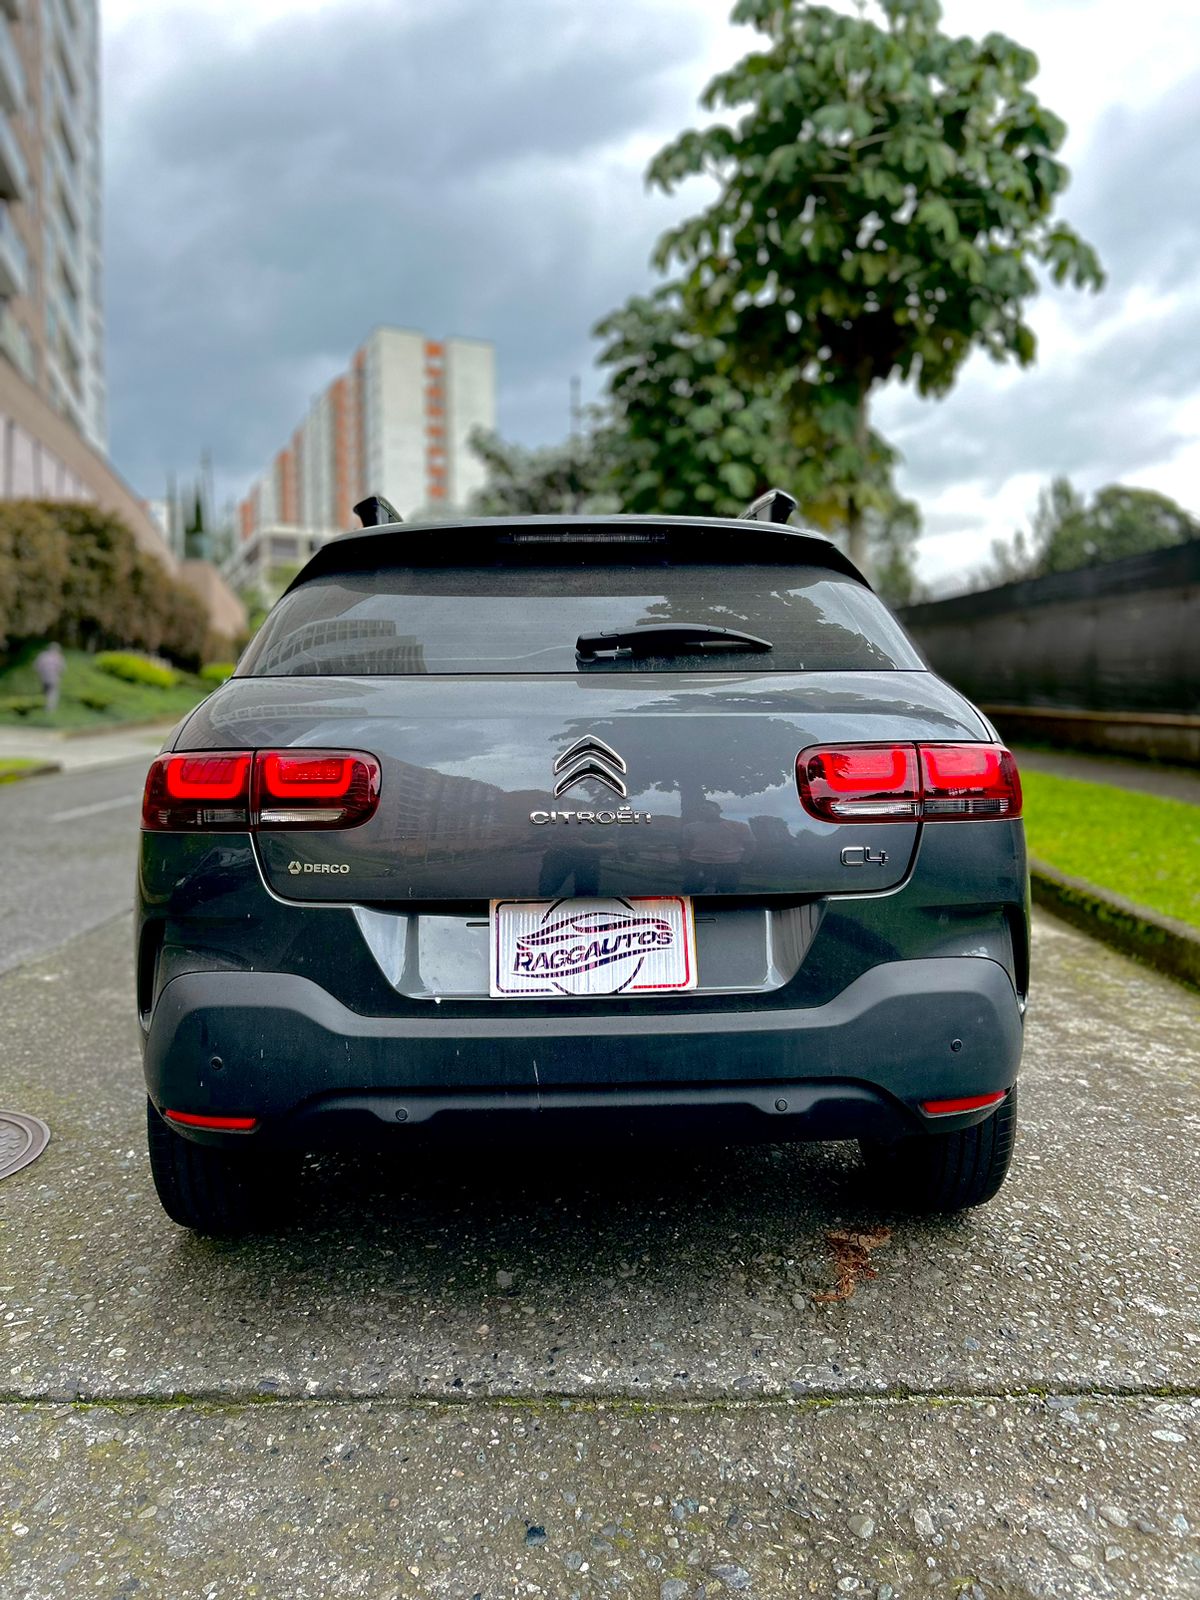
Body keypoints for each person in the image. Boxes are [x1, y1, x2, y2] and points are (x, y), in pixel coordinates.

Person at [34, 642, 65, 714]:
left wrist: (40, 673)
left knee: (44, 693)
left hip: (43, 678)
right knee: (52, 694)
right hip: (54, 679)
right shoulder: (58, 657)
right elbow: (62, 669)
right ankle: (50, 711)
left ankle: (42, 708)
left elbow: (36, 666)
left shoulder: (43, 655)